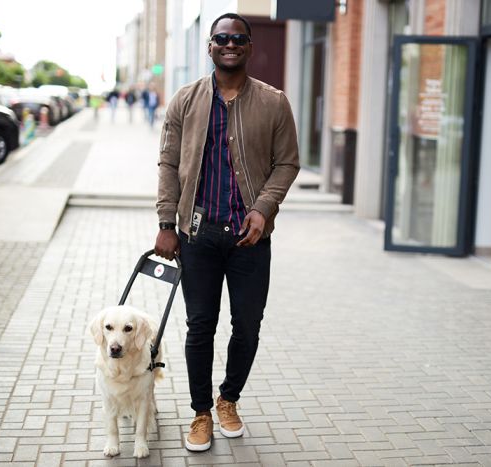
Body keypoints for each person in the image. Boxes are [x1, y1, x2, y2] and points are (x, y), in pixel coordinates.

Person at [154, 13, 300, 452]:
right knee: (200, 326)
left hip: (249, 238)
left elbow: (287, 163)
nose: (230, 44)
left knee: (248, 327)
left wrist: (263, 208)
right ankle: (200, 413)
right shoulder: (185, 99)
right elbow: (167, 163)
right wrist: (166, 223)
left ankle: (228, 399)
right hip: (197, 234)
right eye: (221, 38)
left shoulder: (274, 102)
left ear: (250, 46)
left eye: (238, 38)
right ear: (210, 46)